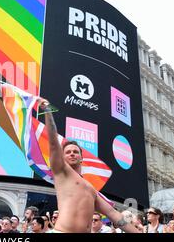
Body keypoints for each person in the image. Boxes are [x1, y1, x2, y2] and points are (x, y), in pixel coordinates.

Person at [39, 98, 139, 233]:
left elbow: (113, 214)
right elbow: (53, 143)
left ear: (81, 158)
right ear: (62, 158)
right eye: (68, 152)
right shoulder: (61, 172)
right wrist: (47, 111)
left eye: (75, 152)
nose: (72, 154)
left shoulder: (91, 189)